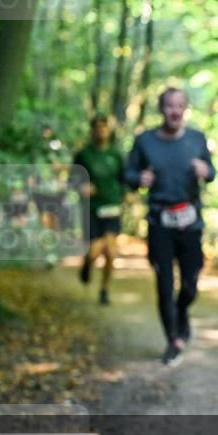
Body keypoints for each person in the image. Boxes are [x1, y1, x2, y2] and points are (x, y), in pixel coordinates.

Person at [125, 88, 216, 366]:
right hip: (159, 221)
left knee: (190, 284)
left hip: (190, 221)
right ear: (161, 109)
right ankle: (173, 340)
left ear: (185, 109)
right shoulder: (145, 141)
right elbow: (128, 174)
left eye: (179, 106)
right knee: (164, 285)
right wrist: (138, 177)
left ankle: (182, 311)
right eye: (169, 106)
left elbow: (212, 172)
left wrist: (206, 171)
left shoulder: (196, 139)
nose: (174, 111)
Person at [74, 115, 124, 305]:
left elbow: (123, 178)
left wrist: (125, 193)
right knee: (94, 251)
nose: (102, 131)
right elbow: (73, 178)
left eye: (105, 127)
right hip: (91, 209)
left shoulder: (116, 155)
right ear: (93, 130)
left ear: (109, 130)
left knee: (111, 252)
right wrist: (82, 187)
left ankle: (104, 290)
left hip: (112, 207)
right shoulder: (84, 154)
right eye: (98, 127)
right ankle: (88, 263)